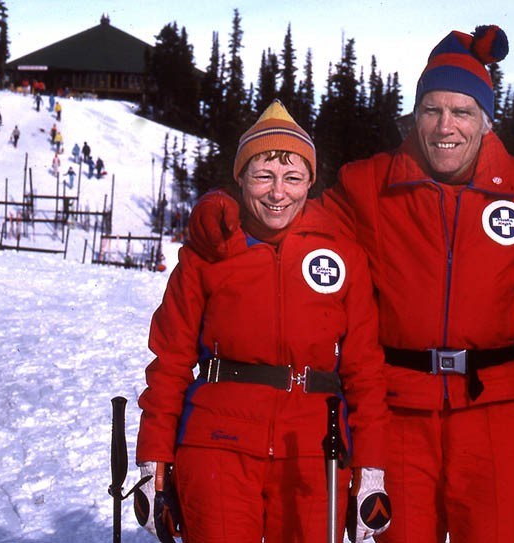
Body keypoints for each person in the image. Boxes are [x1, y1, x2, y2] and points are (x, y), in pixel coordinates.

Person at [188, 25, 514, 543]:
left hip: (493, 411)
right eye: (432, 110)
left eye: (461, 112)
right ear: (414, 116)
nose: (445, 127)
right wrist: (225, 205)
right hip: (401, 408)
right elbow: (292, 216)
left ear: (486, 120)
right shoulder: (371, 184)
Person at [135, 100, 392, 543]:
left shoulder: (342, 254)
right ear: (240, 178)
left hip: (315, 450)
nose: (278, 193)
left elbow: (364, 369)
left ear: (310, 181)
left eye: (293, 178)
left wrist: (371, 465)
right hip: (217, 442)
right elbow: (171, 359)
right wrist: (154, 453)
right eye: (263, 176)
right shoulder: (207, 252)